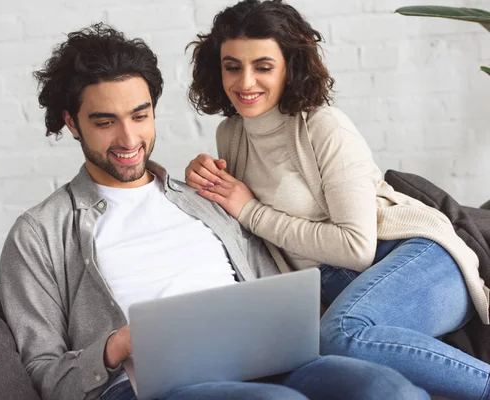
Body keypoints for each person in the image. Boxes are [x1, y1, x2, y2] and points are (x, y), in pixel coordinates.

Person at [0, 22, 428, 400]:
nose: (129, 139)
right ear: (72, 123)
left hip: (261, 355)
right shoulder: (39, 233)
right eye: (105, 122)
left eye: (140, 116)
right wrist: (118, 344)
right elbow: (46, 375)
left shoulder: (204, 199)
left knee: (384, 388)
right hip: (159, 382)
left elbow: (274, 285)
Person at [184, 0, 490, 398]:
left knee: (341, 335)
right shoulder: (231, 135)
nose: (245, 82)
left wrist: (250, 210)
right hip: (341, 290)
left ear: (289, 67)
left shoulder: (323, 127)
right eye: (232, 66)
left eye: (263, 66)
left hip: (415, 258)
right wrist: (204, 181)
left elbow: (356, 247)